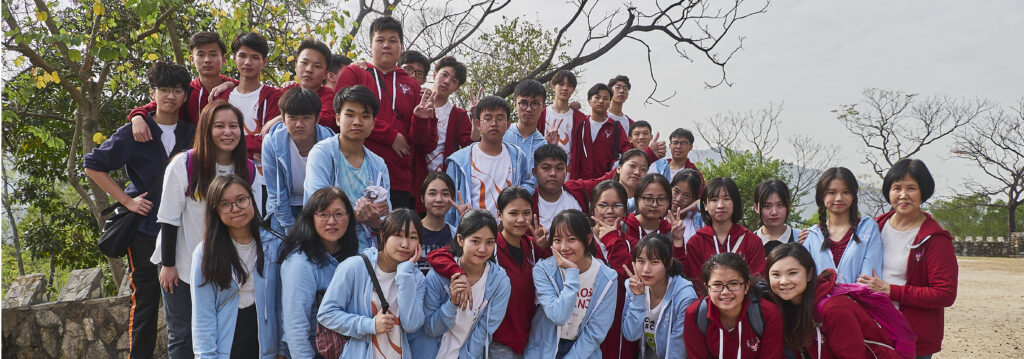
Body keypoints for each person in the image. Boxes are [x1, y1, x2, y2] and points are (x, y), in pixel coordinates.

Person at [83, 61, 194, 359]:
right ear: (152, 93)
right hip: (145, 230)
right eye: (164, 90)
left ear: (185, 96)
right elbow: (93, 165)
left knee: (188, 302)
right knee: (146, 301)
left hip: (186, 230)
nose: (170, 96)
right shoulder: (136, 131)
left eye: (177, 91)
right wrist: (127, 200)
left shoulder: (192, 133)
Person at [151, 100, 257, 359]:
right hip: (180, 260)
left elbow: (254, 220)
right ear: (206, 130)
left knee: (216, 331)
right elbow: (168, 218)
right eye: (219, 126)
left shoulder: (249, 169)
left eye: (234, 126)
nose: (227, 132)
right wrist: (168, 264)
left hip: (222, 264)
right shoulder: (185, 164)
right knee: (182, 335)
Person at [426, 186, 553, 357]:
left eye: (526, 213)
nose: (521, 219)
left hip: (526, 335)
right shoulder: (489, 246)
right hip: (496, 340)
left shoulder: (531, 245)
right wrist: (459, 273)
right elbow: (438, 255)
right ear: (500, 215)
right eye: (513, 213)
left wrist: (543, 248)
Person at [858, 159, 958, 359]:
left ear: (923, 192)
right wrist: (808, 236)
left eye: (911, 188)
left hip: (912, 336)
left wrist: (891, 290)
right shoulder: (872, 227)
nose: (903, 195)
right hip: (871, 331)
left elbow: (945, 294)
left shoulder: (935, 239)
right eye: (897, 188)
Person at [336, 16, 433, 210]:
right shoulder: (354, 73)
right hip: (354, 171)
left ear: (401, 47)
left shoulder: (412, 85)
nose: (386, 45)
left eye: (393, 40)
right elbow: (339, 115)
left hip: (398, 177)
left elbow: (421, 141)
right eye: (380, 40)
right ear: (370, 44)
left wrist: (421, 120)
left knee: (394, 237)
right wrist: (391, 136)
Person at [190, 175, 285, 358]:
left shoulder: (274, 244)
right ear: (215, 210)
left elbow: (281, 303)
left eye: (241, 200)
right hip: (228, 344)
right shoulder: (205, 253)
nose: (236, 209)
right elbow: (203, 315)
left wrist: (282, 348)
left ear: (251, 199)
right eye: (225, 204)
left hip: (265, 344)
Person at [316, 209, 427, 359]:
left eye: (412, 237)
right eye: (398, 235)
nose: (405, 244)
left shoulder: (416, 278)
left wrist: (405, 274)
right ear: (383, 235)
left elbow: (411, 324)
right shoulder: (354, 267)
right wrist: (369, 325)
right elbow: (326, 314)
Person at [767, 243, 900, 359]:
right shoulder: (788, 306)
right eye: (776, 274)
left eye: (792, 273)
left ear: (809, 274)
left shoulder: (834, 309)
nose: (784, 281)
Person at [413, 209, 512, 358]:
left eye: (490, 242)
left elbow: (483, 332)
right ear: (460, 240)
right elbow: (430, 329)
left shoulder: (499, 282)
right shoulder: (437, 277)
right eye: (475, 241)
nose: (482, 249)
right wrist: (452, 303)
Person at [304, 85, 391, 251]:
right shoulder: (322, 153)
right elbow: (319, 207)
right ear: (338, 118)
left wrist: (375, 221)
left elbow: (386, 217)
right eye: (350, 115)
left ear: (373, 123)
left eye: (365, 116)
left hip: (367, 251)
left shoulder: (378, 164)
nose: (357, 122)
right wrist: (362, 216)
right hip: (327, 247)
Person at [525, 209, 619, 358]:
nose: (563, 247)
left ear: (588, 239)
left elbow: (596, 331)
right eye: (557, 240)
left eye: (571, 239)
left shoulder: (608, 278)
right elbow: (559, 316)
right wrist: (572, 273)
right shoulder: (543, 270)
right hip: (544, 351)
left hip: (584, 352)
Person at [279, 187, 360, 357]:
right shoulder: (300, 263)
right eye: (323, 214)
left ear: (349, 218)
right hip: (315, 351)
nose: (331, 221)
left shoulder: (354, 255)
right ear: (311, 219)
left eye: (338, 214)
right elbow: (296, 327)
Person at [127, 32, 237, 139]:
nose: (207, 60)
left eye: (213, 54)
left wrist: (231, 85)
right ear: (192, 59)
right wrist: (137, 118)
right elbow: (155, 106)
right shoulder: (186, 92)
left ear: (223, 60)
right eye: (201, 54)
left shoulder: (236, 88)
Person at [444, 95, 535, 224]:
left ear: (508, 124)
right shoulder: (459, 161)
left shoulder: (518, 156)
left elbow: (528, 183)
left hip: (506, 233)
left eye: (500, 118)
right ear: (477, 123)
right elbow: (448, 201)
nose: (494, 123)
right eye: (487, 118)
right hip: (471, 233)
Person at [262, 87, 336, 234]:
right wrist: (290, 230)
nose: (299, 124)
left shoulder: (331, 143)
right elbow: (276, 193)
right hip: (284, 206)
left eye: (306, 118)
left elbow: (334, 188)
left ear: (317, 119)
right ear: (283, 118)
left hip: (321, 207)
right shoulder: (272, 143)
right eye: (293, 117)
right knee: (281, 248)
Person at [684, 253, 784, 359]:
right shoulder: (694, 314)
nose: (725, 292)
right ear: (707, 288)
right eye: (717, 285)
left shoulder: (768, 313)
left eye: (734, 284)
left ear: (746, 286)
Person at [621, 233, 698, 359]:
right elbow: (631, 334)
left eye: (655, 262)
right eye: (640, 261)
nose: (646, 269)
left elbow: (677, 351)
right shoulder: (633, 286)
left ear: (669, 263)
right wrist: (637, 297)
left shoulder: (685, 297)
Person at [684, 177, 765, 295]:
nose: (720, 205)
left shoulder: (751, 241)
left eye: (726, 199)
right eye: (714, 199)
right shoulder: (696, 242)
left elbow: (758, 281)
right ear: (705, 205)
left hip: (745, 307)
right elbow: (697, 285)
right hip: (709, 308)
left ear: (735, 203)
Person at [802, 167, 882, 283]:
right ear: (821, 195)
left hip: (859, 299)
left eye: (846, 192)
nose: (839, 198)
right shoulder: (811, 236)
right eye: (832, 192)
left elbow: (868, 277)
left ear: (854, 194)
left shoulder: (868, 228)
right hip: (821, 301)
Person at [414, 56, 472, 212]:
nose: (447, 81)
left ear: (457, 88)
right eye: (444, 75)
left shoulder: (458, 115)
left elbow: (471, 147)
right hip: (414, 179)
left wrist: (478, 121)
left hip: (442, 185)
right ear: (434, 75)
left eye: (454, 80)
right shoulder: (415, 101)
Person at [217, 32, 281, 161]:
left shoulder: (274, 97)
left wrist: (228, 144)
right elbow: (211, 137)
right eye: (242, 56)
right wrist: (249, 148)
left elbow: (271, 139)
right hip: (225, 174)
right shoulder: (221, 97)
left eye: (255, 57)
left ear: (264, 62)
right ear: (234, 58)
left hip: (262, 176)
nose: (247, 62)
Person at [568, 83, 632, 181]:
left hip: (606, 184)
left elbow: (627, 150)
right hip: (581, 183)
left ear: (610, 102)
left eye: (606, 98)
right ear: (589, 101)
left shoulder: (615, 127)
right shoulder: (581, 124)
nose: (601, 101)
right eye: (597, 97)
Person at [540, 70, 588, 168]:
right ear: (553, 86)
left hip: (568, 174)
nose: (565, 88)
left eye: (569, 85)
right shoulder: (540, 114)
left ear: (573, 89)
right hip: (543, 170)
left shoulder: (580, 118)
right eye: (561, 84)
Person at [532, 144, 588, 228]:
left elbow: (607, 178)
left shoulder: (578, 190)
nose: (553, 174)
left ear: (566, 171)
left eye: (559, 168)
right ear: (534, 172)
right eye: (546, 168)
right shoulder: (528, 201)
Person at [503, 79, 549, 173]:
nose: (528, 109)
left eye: (535, 104)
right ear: (515, 104)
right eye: (523, 103)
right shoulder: (501, 134)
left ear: (543, 107)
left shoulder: (543, 145)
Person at [417, 172, 457, 273]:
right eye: (432, 193)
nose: (439, 199)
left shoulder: (456, 235)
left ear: (453, 198)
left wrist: (467, 220)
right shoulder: (410, 231)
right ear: (422, 197)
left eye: (445, 194)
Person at [753, 180, 801, 255]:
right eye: (767, 206)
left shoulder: (801, 238)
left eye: (780, 205)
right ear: (756, 208)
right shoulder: (749, 242)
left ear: (789, 205)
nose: (774, 212)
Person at [624, 174, 673, 246]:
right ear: (637, 199)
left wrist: (678, 241)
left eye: (661, 199)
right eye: (648, 198)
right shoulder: (624, 227)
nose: (655, 205)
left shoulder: (670, 232)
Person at [668, 169, 705, 262]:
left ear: (695, 198)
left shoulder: (699, 221)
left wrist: (698, 204)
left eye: (687, 196)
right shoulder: (657, 214)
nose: (679, 199)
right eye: (676, 192)